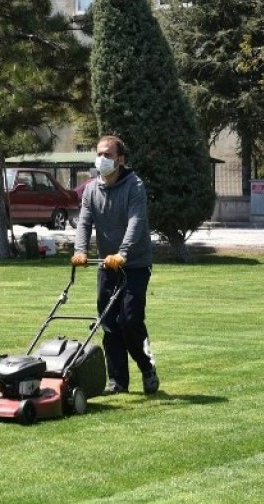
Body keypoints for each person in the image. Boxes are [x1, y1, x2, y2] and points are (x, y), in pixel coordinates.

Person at [71, 135, 159, 395]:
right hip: (106, 265)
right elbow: (84, 222)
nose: (102, 159)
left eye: (107, 155)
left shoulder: (135, 186)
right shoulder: (90, 189)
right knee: (109, 323)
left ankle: (147, 367)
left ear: (120, 159)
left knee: (130, 321)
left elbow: (136, 221)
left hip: (135, 264)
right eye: (99, 153)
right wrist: (80, 251)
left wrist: (123, 253)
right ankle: (118, 382)